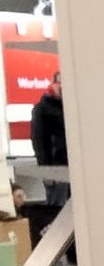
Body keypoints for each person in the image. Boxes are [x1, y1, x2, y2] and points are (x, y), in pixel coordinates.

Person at [28, 68, 68, 207]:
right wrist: (46, 171)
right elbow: (38, 142)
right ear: (53, 84)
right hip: (56, 167)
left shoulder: (69, 108)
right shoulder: (42, 109)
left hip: (70, 165)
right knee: (58, 207)